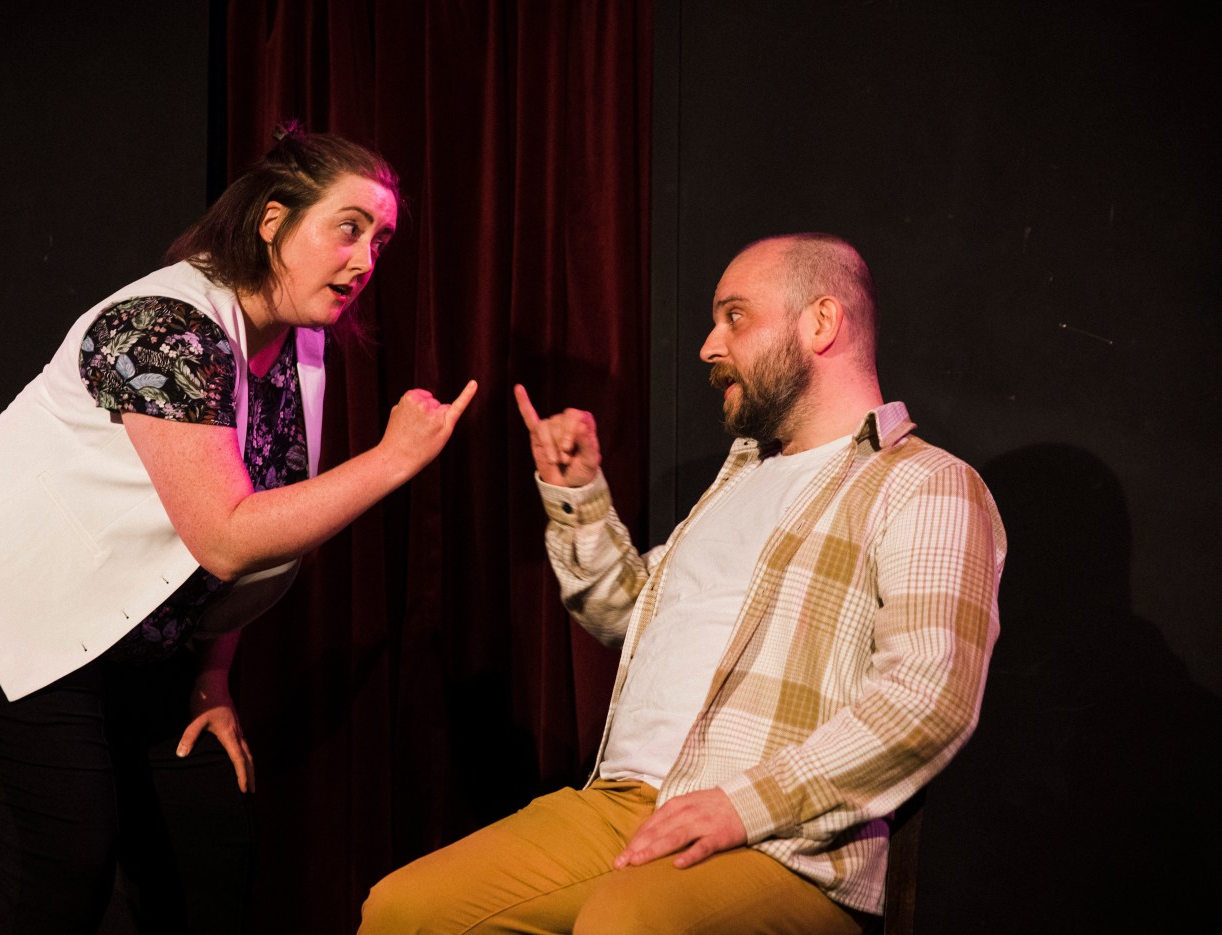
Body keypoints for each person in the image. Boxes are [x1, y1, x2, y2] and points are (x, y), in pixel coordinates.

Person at [0, 124, 478, 934]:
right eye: (348, 227)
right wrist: (391, 461)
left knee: (208, 850)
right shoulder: (164, 324)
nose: (365, 259)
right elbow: (227, 534)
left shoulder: (299, 346)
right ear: (272, 222)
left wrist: (213, 675)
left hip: (127, 627)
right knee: (59, 873)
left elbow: (246, 554)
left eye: (381, 239)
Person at [359, 233, 1004, 934]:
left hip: (783, 841)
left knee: (626, 923)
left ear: (820, 322)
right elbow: (629, 618)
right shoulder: (736, 482)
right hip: (618, 805)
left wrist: (742, 804)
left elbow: (927, 699)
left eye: (734, 316)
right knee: (404, 910)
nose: (706, 345)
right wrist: (575, 494)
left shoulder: (924, 484)